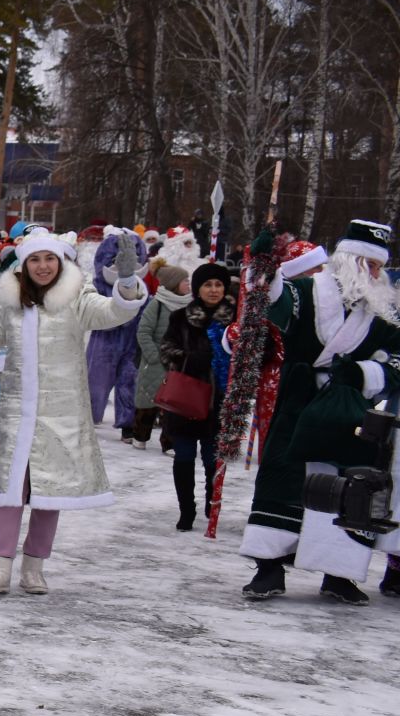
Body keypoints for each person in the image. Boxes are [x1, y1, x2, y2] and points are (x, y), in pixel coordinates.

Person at [0, 232, 148, 594]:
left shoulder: (76, 296)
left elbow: (113, 312)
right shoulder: (5, 300)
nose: (42, 266)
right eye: (34, 260)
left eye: (49, 259)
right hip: (18, 413)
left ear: (61, 262)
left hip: (62, 413)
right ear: (24, 264)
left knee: (49, 492)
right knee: (10, 491)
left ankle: (34, 567)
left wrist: (128, 283)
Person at [240, 219, 400, 605]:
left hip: (351, 408)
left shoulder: (383, 311)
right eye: (369, 264)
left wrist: (366, 374)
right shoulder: (308, 292)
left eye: (379, 266)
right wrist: (262, 264)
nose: (376, 273)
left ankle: (340, 574)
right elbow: (272, 299)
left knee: (352, 487)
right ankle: (269, 566)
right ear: (347, 260)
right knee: (283, 477)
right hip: (301, 400)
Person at [158, 263, 235, 531]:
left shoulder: (236, 321)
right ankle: (186, 510)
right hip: (186, 401)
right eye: (207, 285)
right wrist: (190, 359)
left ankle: (210, 503)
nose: (213, 290)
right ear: (197, 289)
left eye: (218, 285)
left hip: (220, 403)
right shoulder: (181, 317)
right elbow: (166, 350)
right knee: (184, 457)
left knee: (213, 459)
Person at [85, 230, 145, 442]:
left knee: (129, 382)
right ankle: (89, 416)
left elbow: (142, 305)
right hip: (105, 338)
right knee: (97, 381)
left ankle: (127, 424)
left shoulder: (140, 285)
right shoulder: (98, 285)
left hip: (132, 340)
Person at [132, 263, 193, 450]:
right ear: (175, 283)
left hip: (179, 363)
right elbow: (143, 331)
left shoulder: (190, 305)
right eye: (185, 281)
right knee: (147, 403)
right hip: (156, 363)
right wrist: (153, 356)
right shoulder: (157, 304)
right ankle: (140, 436)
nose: (188, 284)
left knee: (174, 407)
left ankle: (169, 443)